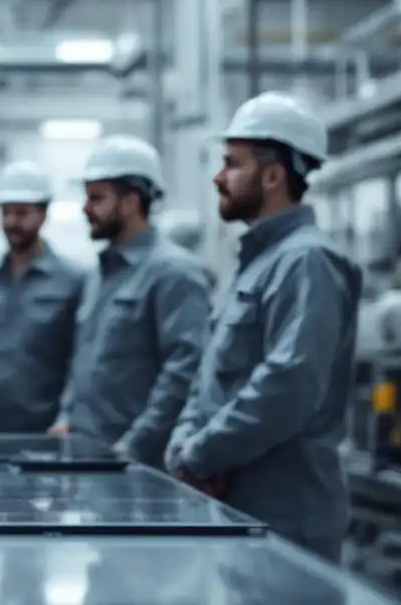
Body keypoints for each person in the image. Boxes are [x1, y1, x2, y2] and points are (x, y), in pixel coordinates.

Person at [165, 91, 362, 564]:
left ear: (273, 176)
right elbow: (208, 377)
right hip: (235, 508)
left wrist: (199, 455)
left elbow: (288, 384)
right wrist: (185, 445)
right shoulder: (254, 265)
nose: (218, 177)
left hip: (286, 516)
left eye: (232, 164)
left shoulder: (308, 262)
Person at [50, 136, 209, 468]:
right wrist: (67, 416)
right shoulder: (98, 275)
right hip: (90, 458)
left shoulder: (173, 272)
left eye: (97, 198)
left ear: (131, 201)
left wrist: (134, 445)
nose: (85, 208)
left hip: (142, 467)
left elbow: (183, 373)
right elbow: (84, 360)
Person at [0, 161, 83, 433]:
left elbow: (82, 359)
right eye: (5, 212)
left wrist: (68, 416)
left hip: (50, 432)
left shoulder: (73, 281)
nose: (11, 222)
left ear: (43, 214)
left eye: (21, 213)